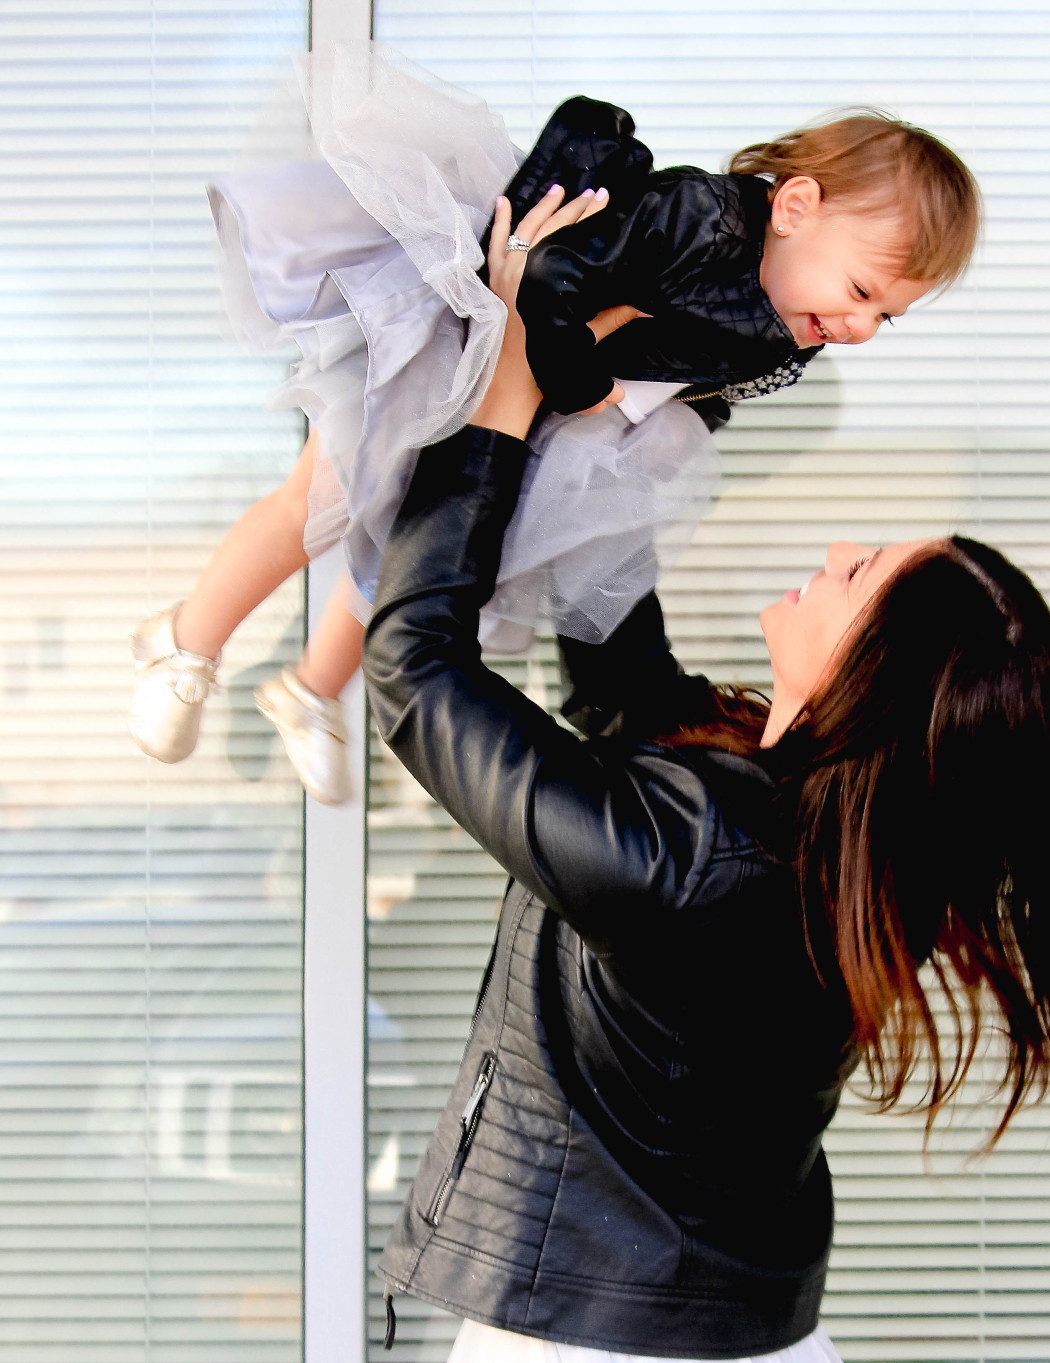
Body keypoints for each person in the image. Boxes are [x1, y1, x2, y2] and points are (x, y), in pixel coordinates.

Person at [356, 189, 1050, 1363]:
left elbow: (414, 672)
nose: (835, 548)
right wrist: (616, 408)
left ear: (870, 670)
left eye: (863, 569)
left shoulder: (707, 842)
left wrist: (494, 397)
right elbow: (614, 683)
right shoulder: (820, 834)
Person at [129, 40, 980, 804]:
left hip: (535, 401)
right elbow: (552, 276)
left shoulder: (791, 329)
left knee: (399, 541)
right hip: (465, 325)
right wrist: (587, 383)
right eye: (863, 293)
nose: (861, 327)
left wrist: (634, 430)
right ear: (795, 207)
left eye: (886, 317)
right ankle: (184, 642)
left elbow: (695, 389)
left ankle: (312, 690)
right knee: (323, 496)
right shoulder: (702, 220)